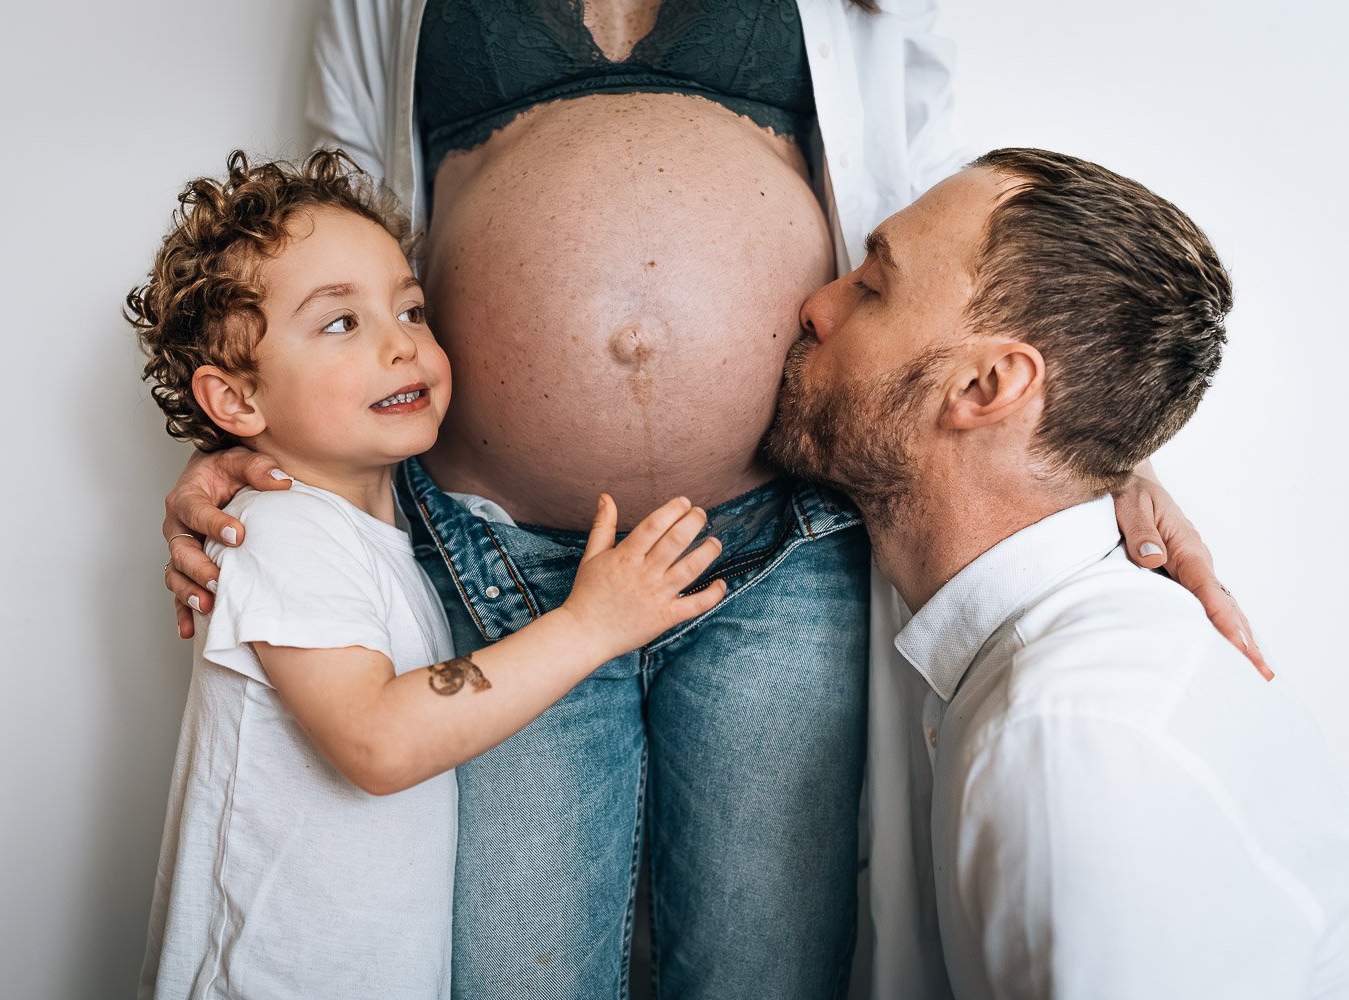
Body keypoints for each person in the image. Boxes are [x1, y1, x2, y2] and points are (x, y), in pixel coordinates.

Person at [157, 3, 1264, 995]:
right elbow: (336, 226)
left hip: (780, 543)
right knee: (515, 973)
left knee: (765, 965)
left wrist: (1093, 441)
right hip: (499, 558)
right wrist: (269, 446)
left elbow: (956, 251)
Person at [129, 149, 725, 998]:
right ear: (236, 403)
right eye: (341, 323)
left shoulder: (369, 533)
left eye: (409, 308)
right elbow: (375, 741)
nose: (400, 344)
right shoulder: (284, 529)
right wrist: (591, 625)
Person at [769, 147, 1349, 999]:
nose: (816, 305)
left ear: (989, 384)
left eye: (872, 287)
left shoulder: (1065, 740)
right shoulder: (1040, 671)